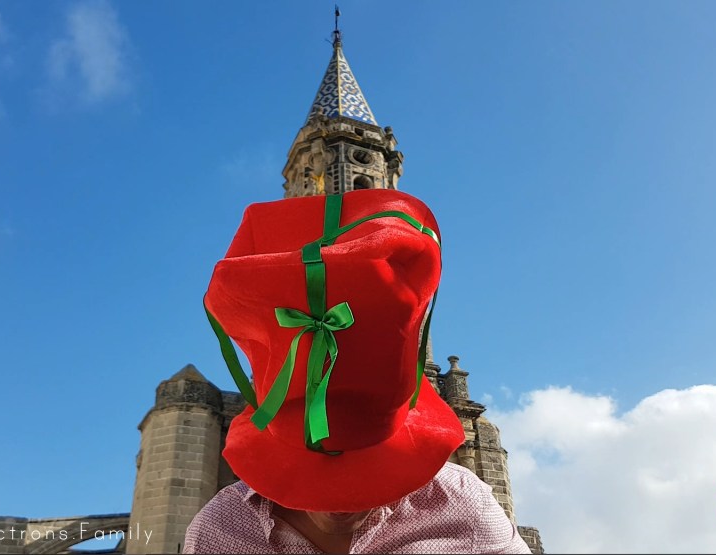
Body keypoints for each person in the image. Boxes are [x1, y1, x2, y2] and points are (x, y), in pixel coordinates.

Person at [189, 190, 532, 554]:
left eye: (365, 469)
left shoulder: (464, 506)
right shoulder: (221, 530)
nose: (342, 504)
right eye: (317, 471)